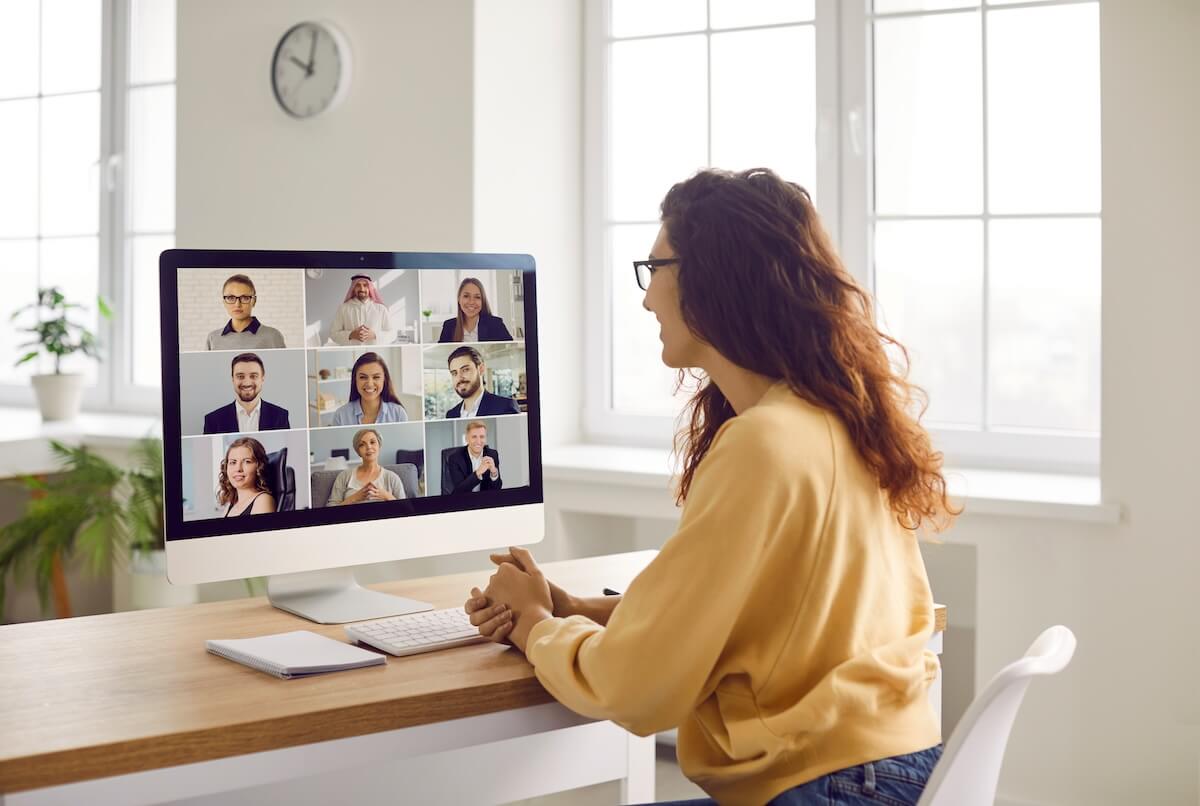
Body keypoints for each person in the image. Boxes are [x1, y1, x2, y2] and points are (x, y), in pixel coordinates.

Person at [464, 169, 958, 806]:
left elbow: (635, 689)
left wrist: (533, 626)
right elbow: (764, 615)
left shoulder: (763, 444)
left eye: (655, 268)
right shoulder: (838, 418)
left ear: (712, 279)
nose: (646, 299)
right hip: (895, 772)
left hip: (824, 788)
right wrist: (577, 610)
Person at [202, 353, 291, 434]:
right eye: (240, 376)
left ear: (262, 378)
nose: (247, 382)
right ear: (233, 379)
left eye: (253, 376)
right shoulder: (213, 420)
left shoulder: (280, 416)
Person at [205, 274, 287, 350]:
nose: (237, 304)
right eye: (230, 298)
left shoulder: (272, 336)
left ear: (254, 301)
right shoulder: (213, 338)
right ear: (224, 301)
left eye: (244, 298)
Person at [327, 428, 406, 505]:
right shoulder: (344, 476)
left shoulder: (392, 478)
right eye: (362, 444)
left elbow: (406, 510)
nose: (368, 447)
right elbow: (330, 511)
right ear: (358, 451)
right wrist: (354, 498)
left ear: (379, 446)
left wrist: (387, 496)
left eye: (372, 442)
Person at [330, 352, 409, 425]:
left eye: (376, 377)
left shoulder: (399, 414)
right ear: (355, 380)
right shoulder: (340, 416)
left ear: (384, 380)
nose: (370, 384)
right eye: (363, 377)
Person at [443, 346, 519, 418]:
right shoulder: (451, 414)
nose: (459, 378)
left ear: (481, 369)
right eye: (454, 373)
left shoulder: (505, 407)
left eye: (465, 370)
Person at [437, 277, 513, 343]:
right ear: (459, 299)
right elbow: (441, 355)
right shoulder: (449, 326)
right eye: (466, 296)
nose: (471, 302)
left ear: (482, 301)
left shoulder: (496, 324)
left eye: (477, 297)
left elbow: (511, 351)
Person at [217, 437, 276, 517]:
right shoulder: (231, 504)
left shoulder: (263, 500)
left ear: (259, 467)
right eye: (233, 462)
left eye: (247, 462)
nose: (238, 469)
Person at [330, 274, 397, 345]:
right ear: (353, 288)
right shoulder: (343, 308)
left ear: (369, 288)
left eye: (365, 285)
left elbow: (392, 334)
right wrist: (350, 334)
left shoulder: (381, 309)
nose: (362, 289)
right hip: (351, 354)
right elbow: (334, 334)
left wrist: (374, 335)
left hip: (374, 354)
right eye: (358, 285)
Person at [441, 420, 502, 495]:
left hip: (485, 501)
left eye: (482, 437)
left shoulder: (492, 454)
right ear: (467, 439)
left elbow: (497, 489)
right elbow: (459, 491)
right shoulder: (455, 458)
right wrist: (478, 473)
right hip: (464, 502)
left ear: (486, 439)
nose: (478, 441)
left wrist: (494, 473)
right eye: (474, 437)